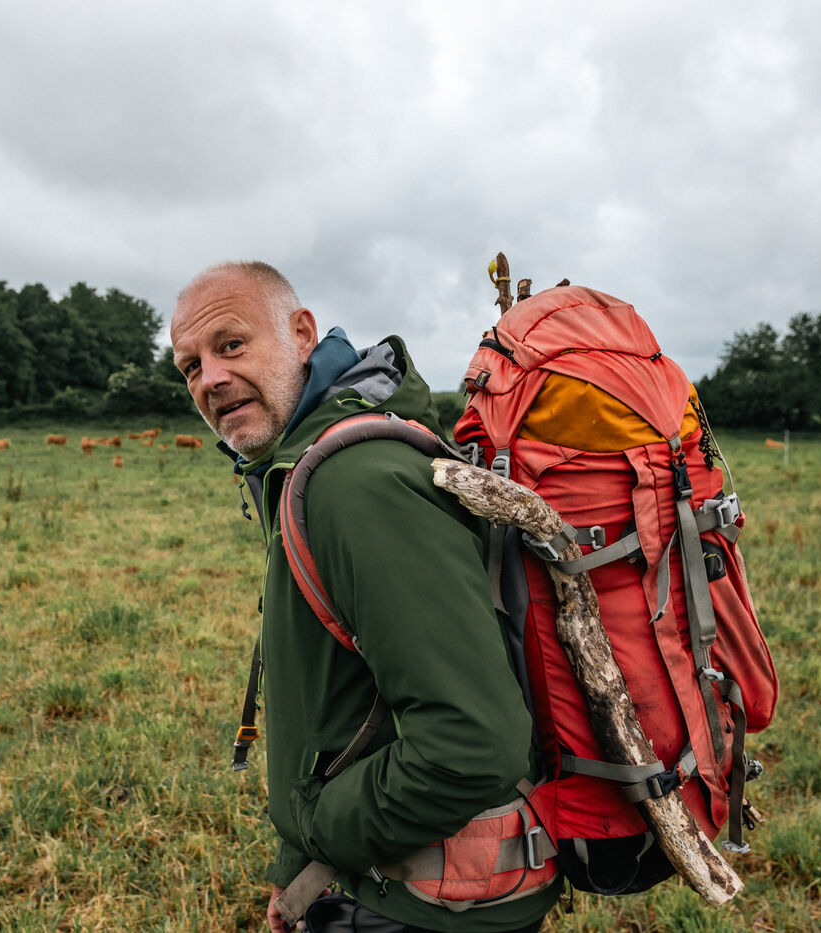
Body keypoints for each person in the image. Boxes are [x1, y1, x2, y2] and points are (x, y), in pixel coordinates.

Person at [171, 262, 557, 933]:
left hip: (423, 902)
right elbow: (339, 702)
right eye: (190, 367)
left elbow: (473, 744)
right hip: (384, 875)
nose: (210, 378)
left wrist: (317, 829)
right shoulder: (308, 464)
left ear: (302, 333)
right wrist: (299, 863)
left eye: (231, 345)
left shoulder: (357, 484)